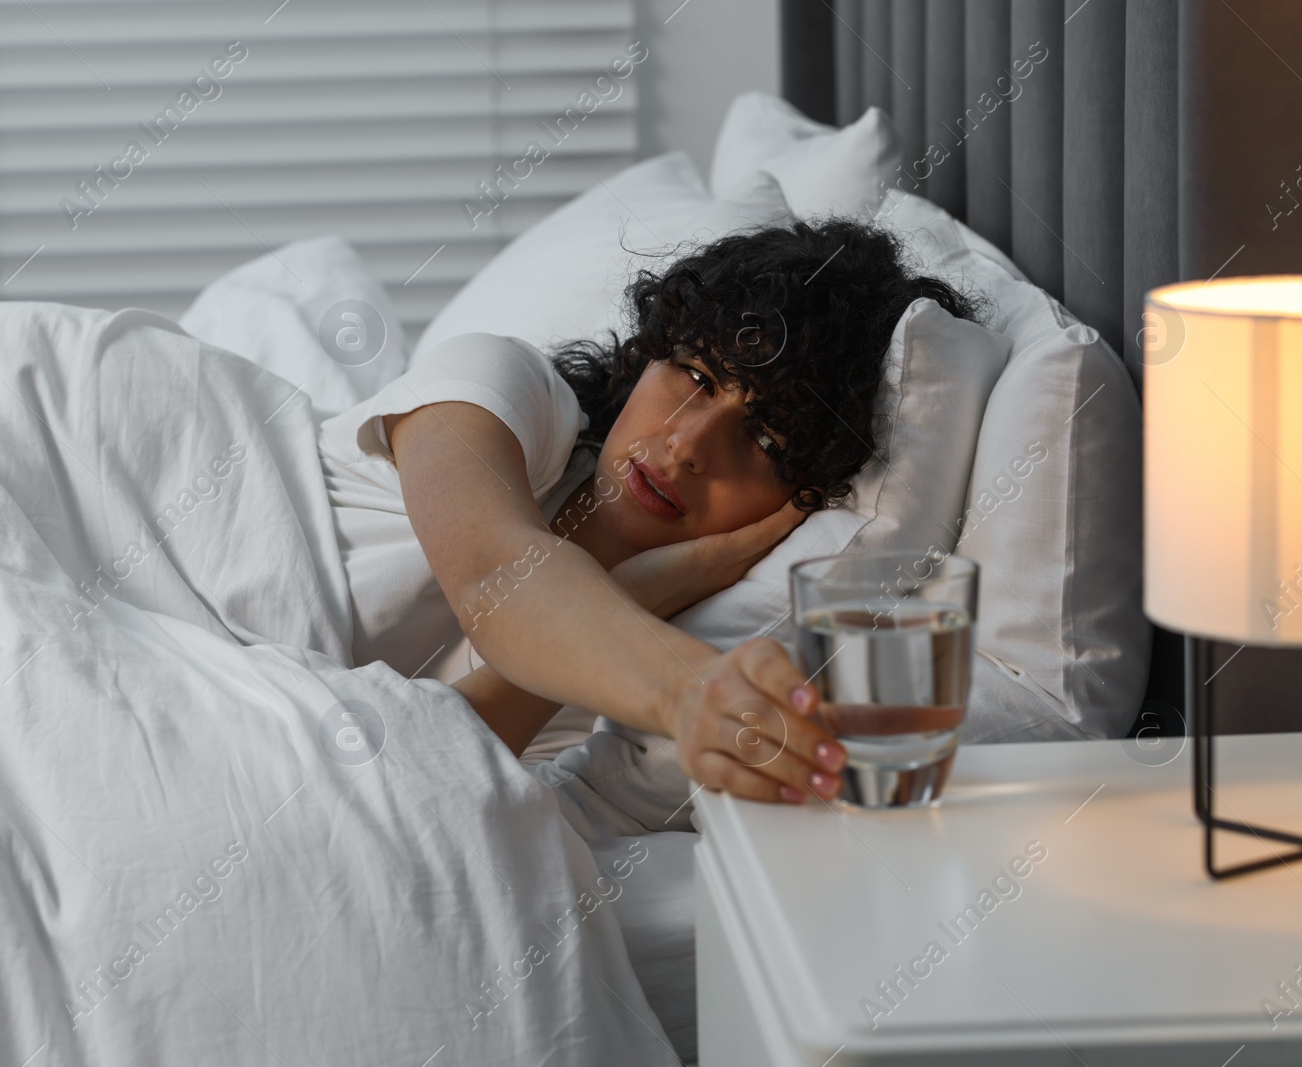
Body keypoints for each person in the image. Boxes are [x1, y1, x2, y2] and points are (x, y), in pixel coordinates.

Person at [316, 216, 983, 804]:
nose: (689, 444)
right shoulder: (502, 387)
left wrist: (633, 595)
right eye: (695, 376)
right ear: (648, 355)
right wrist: (687, 689)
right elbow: (497, 577)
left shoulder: (618, 704)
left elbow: (407, 769)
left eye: (763, 438)